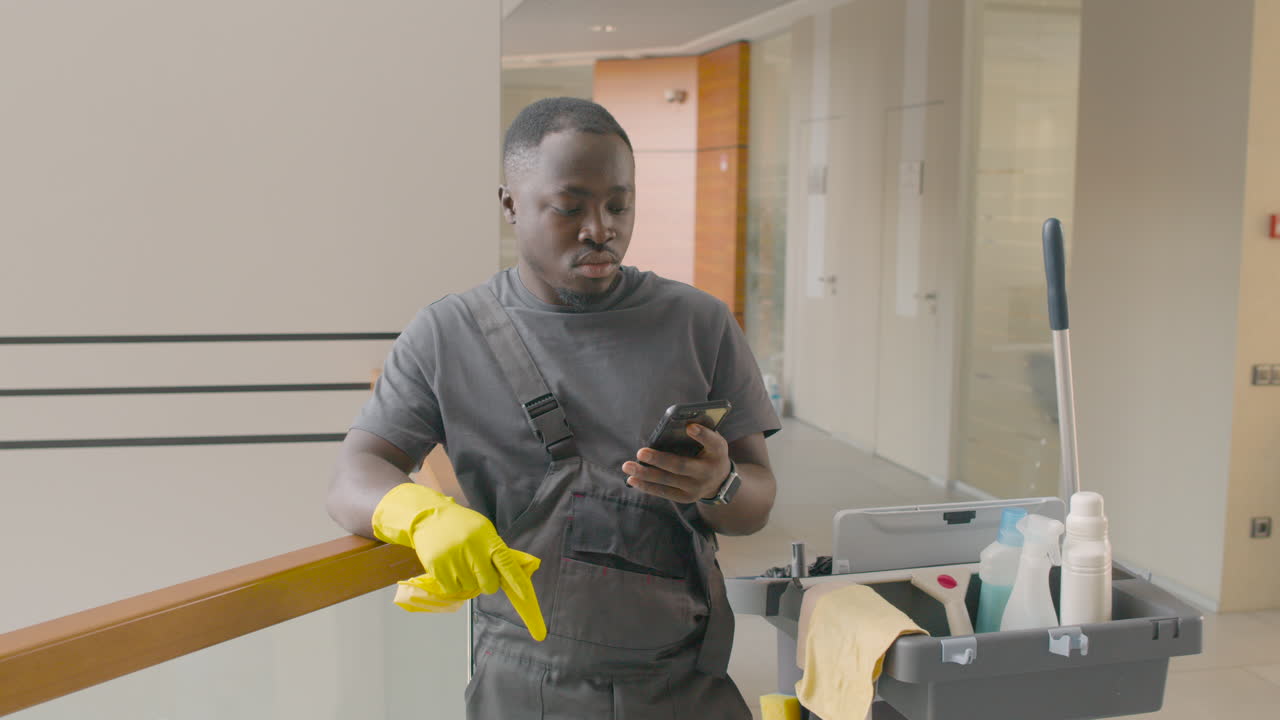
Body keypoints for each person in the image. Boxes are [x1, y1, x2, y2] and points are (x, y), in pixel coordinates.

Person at [327, 97, 780, 719]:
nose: (600, 229)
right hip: (523, 685)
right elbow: (353, 476)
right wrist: (422, 515)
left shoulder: (699, 323)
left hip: (684, 682)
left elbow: (757, 502)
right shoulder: (448, 334)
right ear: (511, 205)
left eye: (619, 205)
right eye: (570, 207)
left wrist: (719, 484)